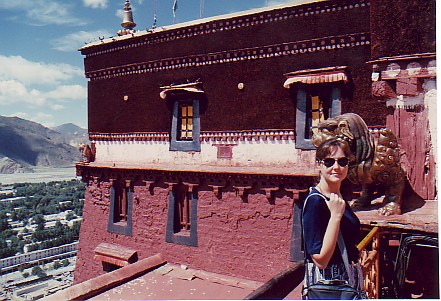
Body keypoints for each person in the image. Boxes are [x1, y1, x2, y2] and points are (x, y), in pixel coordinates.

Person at [302, 138, 365, 297]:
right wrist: (335, 216)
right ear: (319, 164)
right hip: (330, 287)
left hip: (348, 281)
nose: (336, 167)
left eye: (342, 161)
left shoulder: (337, 196)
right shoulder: (316, 202)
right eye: (329, 162)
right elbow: (321, 260)